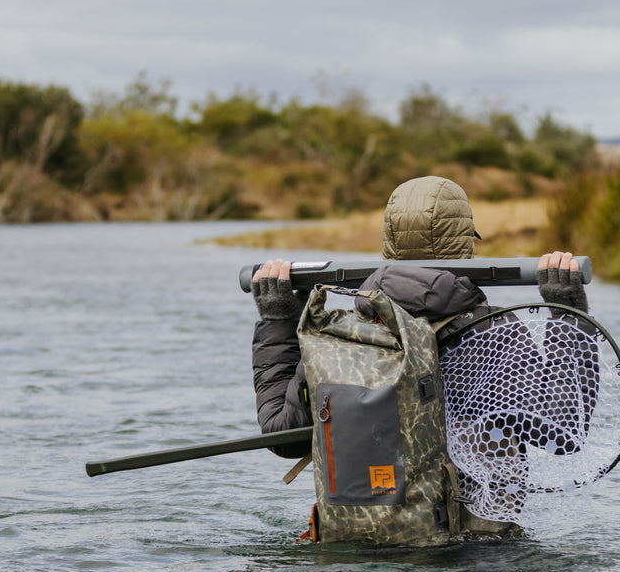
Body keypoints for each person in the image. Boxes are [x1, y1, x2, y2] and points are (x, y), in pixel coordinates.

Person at [248, 175, 588, 464]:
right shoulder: (496, 334)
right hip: (477, 541)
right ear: (467, 243)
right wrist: (567, 312)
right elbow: (563, 433)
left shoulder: (341, 336)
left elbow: (285, 437)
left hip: (363, 535)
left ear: (388, 244)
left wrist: (279, 319)